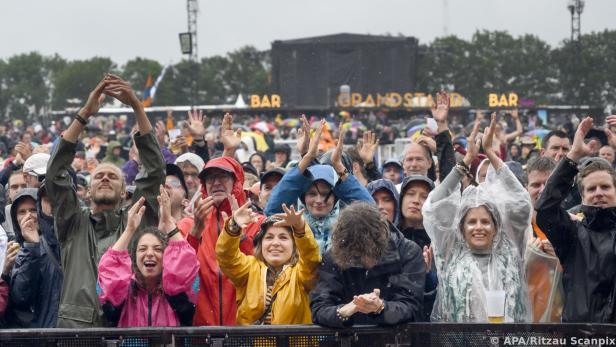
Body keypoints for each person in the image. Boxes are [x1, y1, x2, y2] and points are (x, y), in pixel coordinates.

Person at [46, 75, 165, 328]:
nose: (105, 179)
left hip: (130, 329)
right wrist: (85, 113)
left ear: (125, 192)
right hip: (77, 331)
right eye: (99, 176)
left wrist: (137, 106)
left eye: (113, 177)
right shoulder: (73, 222)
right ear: (86, 192)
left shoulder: (137, 219)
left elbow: (154, 172)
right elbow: (55, 171)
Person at [423, 113, 532, 322]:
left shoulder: (511, 250)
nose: (478, 227)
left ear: (496, 226)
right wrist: (465, 161)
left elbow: (521, 202)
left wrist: (491, 153)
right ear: (461, 228)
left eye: (485, 221)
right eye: (471, 222)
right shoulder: (450, 252)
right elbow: (434, 206)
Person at [184, 113, 265, 326]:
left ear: (236, 183)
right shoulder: (187, 224)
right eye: (210, 178)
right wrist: (194, 234)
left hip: (245, 330)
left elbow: (257, 269)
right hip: (201, 331)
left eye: (223, 177)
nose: (216, 182)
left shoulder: (257, 222)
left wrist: (238, 233)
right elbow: (180, 272)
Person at [535, 116, 616, 322]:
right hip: (580, 335)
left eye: (605, 187)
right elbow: (545, 209)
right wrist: (572, 157)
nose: (598, 193)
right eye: (591, 188)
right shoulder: (572, 231)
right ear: (582, 196)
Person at [265, 120, 374, 254]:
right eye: (312, 194)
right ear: (303, 197)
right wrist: (307, 157)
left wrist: (339, 166)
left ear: (336, 197)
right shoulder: (291, 225)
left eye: (325, 194)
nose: (319, 200)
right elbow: (271, 210)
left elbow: (372, 215)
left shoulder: (349, 226)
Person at [310, 202, 425, 327]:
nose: (358, 258)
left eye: (362, 252)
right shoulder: (333, 255)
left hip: (396, 339)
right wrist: (342, 312)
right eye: (353, 253)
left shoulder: (407, 252)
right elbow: (319, 308)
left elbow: (412, 307)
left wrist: (381, 307)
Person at [98, 188, 198, 327]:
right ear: (134, 258)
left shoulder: (177, 294)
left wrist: (169, 223)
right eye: (142, 249)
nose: (149, 253)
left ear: (168, 258)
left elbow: (185, 266)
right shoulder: (123, 293)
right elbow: (109, 275)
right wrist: (129, 230)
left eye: (157, 249)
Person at [216, 202, 320, 325]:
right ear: (261, 244)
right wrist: (233, 227)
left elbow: (311, 259)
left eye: (283, 237)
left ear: (295, 245)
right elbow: (226, 257)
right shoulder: (249, 268)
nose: (275, 243)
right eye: (269, 237)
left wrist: (300, 229)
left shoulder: (302, 273)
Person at [6, 188, 63, 328]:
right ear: (15, 218)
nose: (29, 216)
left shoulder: (59, 242)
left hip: (56, 328)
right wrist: (5, 270)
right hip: (27, 333)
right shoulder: (11, 249)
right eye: (22, 212)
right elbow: (20, 297)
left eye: (33, 209)